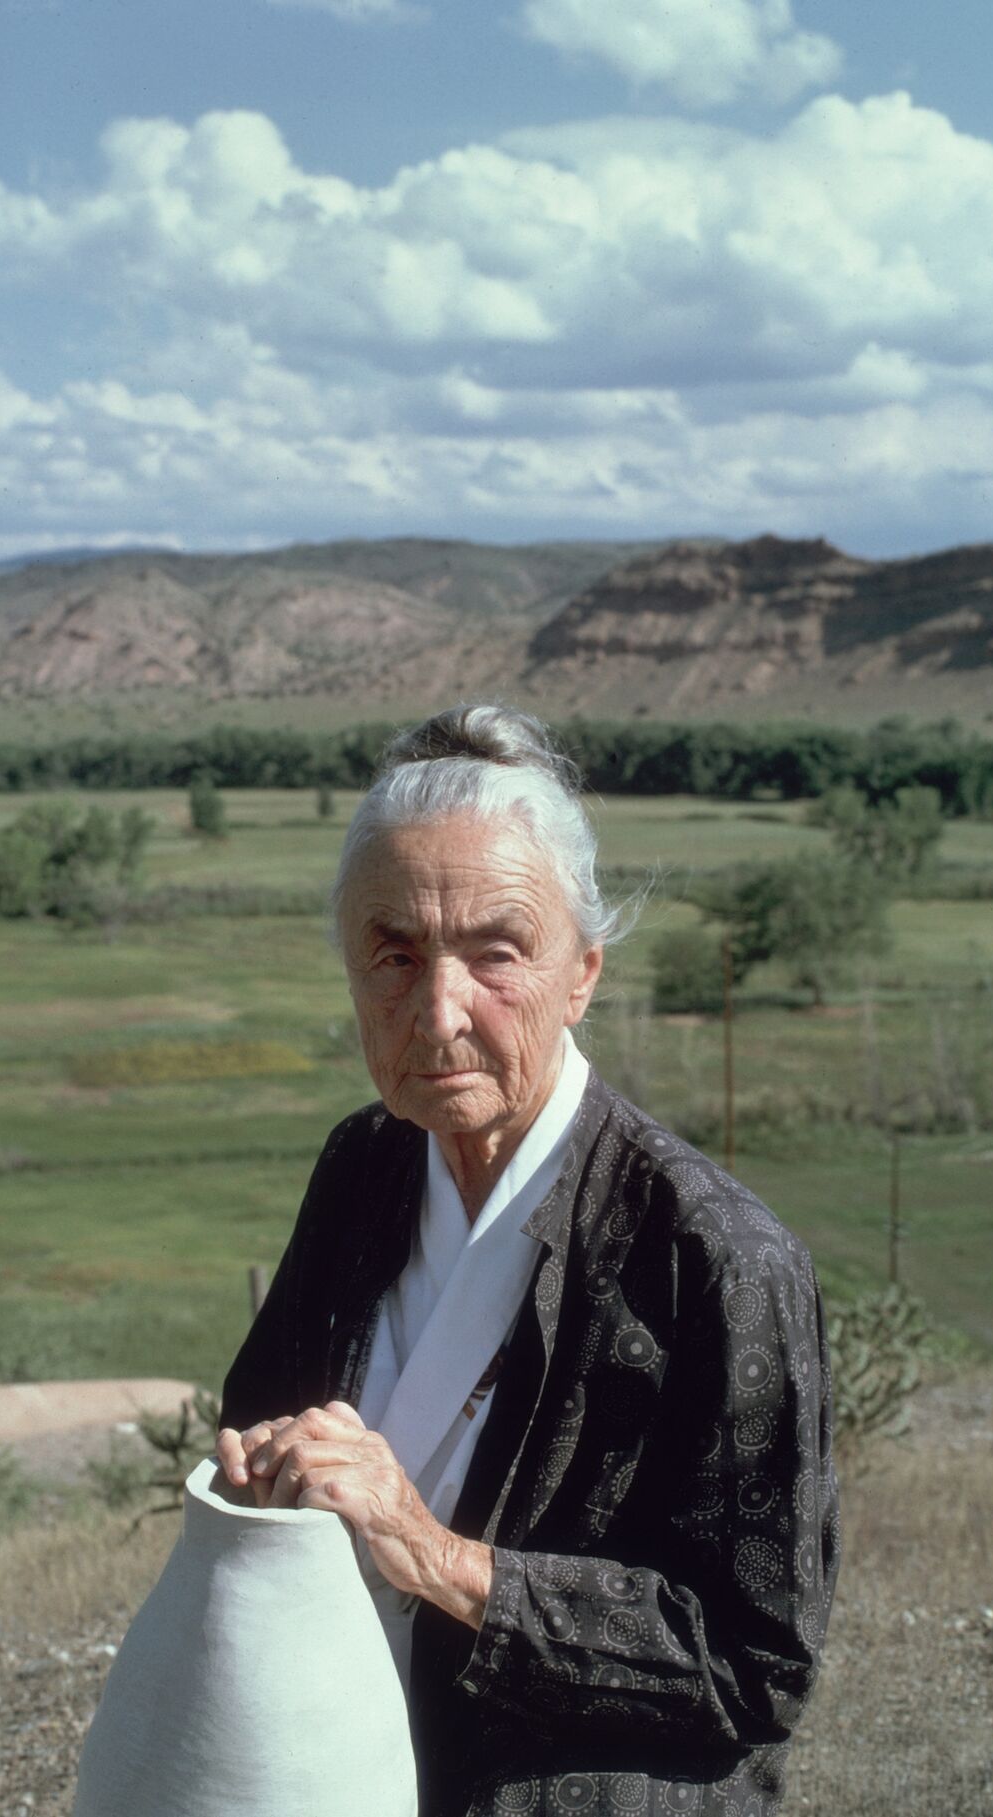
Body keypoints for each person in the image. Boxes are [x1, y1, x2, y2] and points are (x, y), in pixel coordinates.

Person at [218, 704, 840, 1817]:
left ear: (583, 972)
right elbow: (268, 1408)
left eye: (495, 953)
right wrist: (264, 1469)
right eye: (394, 954)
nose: (439, 1012)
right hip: (338, 1768)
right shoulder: (365, 1166)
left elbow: (753, 1665)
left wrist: (435, 1555)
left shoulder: (714, 1257)